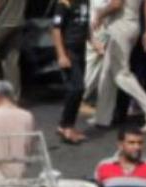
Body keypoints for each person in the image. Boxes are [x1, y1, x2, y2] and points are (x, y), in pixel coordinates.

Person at [92, 0, 146, 131]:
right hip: (132, 23)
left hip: (120, 25)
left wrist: (100, 14)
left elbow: (116, 4)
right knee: (108, 71)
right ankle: (102, 117)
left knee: (121, 73)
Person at [52, 0, 92, 145]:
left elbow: (85, 25)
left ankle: (69, 125)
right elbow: (56, 30)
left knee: (79, 90)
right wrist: (61, 55)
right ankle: (65, 126)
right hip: (68, 50)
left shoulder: (85, 2)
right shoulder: (63, 4)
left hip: (80, 49)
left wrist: (93, 41)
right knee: (76, 87)